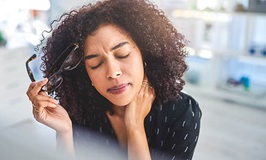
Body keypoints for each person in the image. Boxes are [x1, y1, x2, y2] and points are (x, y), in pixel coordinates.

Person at [26, 0, 202, 159]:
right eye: (96, 63)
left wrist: (134, 126)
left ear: (145, 54)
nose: (113, 72)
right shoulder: (79, 111)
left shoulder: (182, 112)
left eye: (122, 54)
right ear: (84, 72)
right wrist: (65, 131)